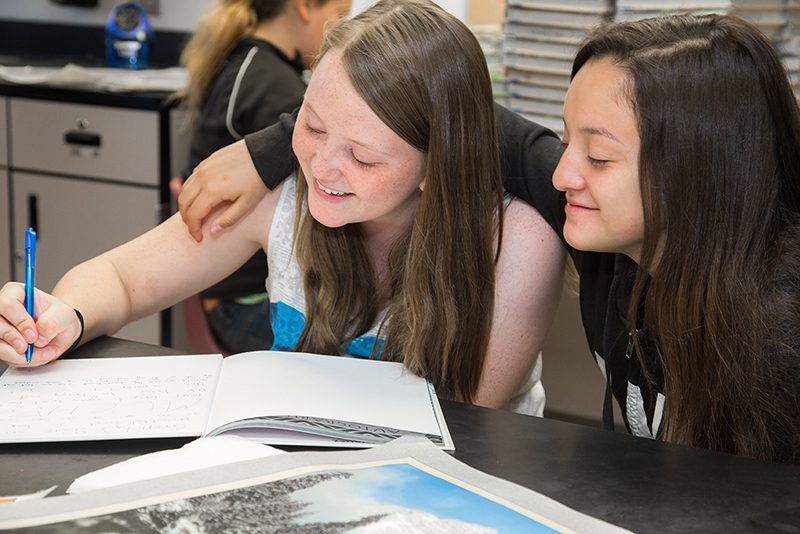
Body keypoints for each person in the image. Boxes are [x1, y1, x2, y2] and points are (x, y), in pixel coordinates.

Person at [175, 13, 800, 462]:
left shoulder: (780, 330)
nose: (561, 174)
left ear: (700, 170)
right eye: (568, 137)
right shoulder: (610, 243)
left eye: (600, 157)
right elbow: (450, 113)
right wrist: (275, 143)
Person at [0, 0, 564, 415]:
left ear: (437, 164)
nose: (321, 167)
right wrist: (61, 318)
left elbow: (460, 428)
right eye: (311, 127)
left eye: (363, 158)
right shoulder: (282, 192)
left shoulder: (514, 240)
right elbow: (122, 279)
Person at [174, 0, 350, 353]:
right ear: (303, 7)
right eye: (340, 18)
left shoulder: (245, 64)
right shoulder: (275, 89)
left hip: (221, 290)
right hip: (244, 300)